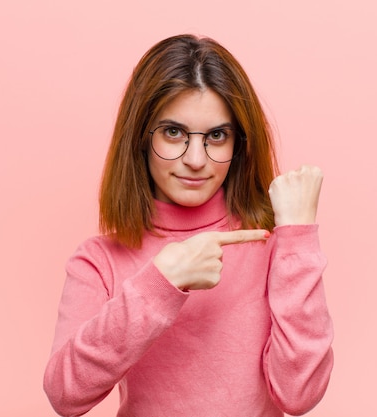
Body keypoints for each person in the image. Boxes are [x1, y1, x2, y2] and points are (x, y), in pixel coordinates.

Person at [43, 34, 334, 417]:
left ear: (238, 144)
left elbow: (299, 395)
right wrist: (160, 282)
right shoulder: (98, 260)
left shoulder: (271, 246)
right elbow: (65, 395)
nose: (196, 159)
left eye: (216, 135)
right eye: (173, 132)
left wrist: (296, 237)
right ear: (141, 140)